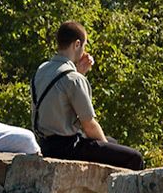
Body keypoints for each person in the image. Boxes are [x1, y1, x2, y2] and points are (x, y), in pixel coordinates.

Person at [30, 21, 143, 170]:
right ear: (77, 44)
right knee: (134, 157)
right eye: (84, 46)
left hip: (45, 144)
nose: (84, 51)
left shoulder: (42, 70)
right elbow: (89, 125)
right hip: (67, 148)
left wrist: (79, 72)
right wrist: (105, 149)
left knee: (113, 142)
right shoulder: (74, 79)